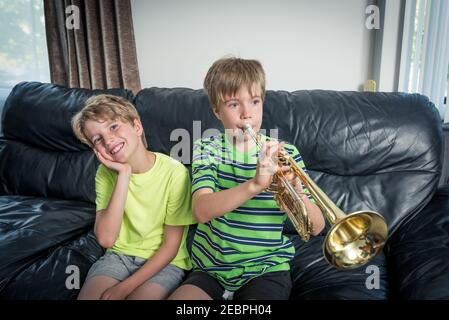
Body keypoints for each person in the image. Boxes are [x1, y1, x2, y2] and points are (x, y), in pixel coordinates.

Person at [169, 57, 325, 300]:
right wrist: (254, 185)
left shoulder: (285, 154)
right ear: (216, 110)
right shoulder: (205, 148)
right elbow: (201, 210)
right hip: (211, 268)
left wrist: (299, 193)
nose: (246, 114)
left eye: (254, 101)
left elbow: (316, 228)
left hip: (266, 269)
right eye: (233, 104)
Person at [71, 94, 196, 300]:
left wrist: (122, 289)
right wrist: (124, 175)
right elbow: (106, 238)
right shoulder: (105, 174)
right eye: (97, 139)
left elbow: (170, 247)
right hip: (118, 257)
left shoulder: (175, 173)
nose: (108, 140)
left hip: (164, 264)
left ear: (137, 127)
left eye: (113, 127)